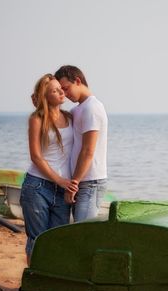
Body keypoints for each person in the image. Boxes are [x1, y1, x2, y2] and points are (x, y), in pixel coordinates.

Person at [20, 73, 78, 262]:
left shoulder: (70, 117)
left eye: (61, 89)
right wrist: (60, 180)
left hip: (62, 191)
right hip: (37, 187)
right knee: (37, 239)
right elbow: (36, 157)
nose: (61, 92)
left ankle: (50, 283)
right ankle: (34, 282)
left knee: (57, 240)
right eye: (55, 90)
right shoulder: (37, 119)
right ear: (45, 97)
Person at [55, 65, 108, 222]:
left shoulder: (92, 108)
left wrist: (74, 183)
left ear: (77, 81)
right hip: (80, 181)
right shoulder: (77, 110)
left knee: (84, 234)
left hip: (90, 182)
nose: (64, 94)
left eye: (66, 88)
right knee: (78, 232)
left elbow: (87, 151)